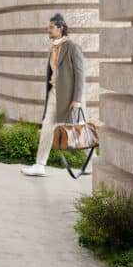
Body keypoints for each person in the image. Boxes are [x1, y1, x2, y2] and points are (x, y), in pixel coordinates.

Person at [21, 13, 88, 177]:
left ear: (61, 28)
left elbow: (80, 75)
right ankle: (39, 165)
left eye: (51, 27)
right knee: (46, 128)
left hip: (69, 96)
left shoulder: (72, 47)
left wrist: (77, 99)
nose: (48, 30)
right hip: (54, 93)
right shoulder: (53, 48)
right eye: (48, 27)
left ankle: (92, 162)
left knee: (78, 129)